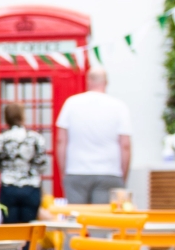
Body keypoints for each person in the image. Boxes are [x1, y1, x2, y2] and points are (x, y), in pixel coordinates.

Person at [54, 68, 132, 204]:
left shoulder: (71, 103)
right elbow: (125, 145)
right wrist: (121, 177)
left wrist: (64, 173)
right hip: (109, 172)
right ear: (106, 82)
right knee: (102, 222)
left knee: (77, 220)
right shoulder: (119, 106)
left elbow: (61, 141)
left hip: (76, 170)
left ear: (88, 81)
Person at [0, 102, 48, 224]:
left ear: (6, 118)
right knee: (30, 227)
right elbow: (42, 166)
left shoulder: (0, 139)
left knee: (10, 228)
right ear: (23, 117)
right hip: (31, 187)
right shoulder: (36, 138)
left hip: (8, 187)